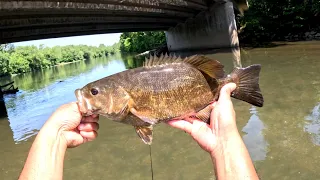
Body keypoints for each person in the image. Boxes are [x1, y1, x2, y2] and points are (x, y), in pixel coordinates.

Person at [18, 83, 259, 180]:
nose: (89, 95)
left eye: (94, 92)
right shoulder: (122, 105)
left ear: (121, 94)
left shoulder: (129, 104)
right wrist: (57, 131)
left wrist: (55, 133)